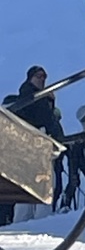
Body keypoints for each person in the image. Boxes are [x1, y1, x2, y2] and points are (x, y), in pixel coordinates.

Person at [1, 68, 65, 225]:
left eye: (44, 76)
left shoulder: (29, 97)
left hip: (27, 150)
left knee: (27, 193)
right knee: (43, 187)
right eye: (39, 76)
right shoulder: (34, 97)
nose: (42, 79)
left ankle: (21, 225)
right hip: (37, 148)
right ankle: (40, 224)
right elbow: (47, 120)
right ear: (30, 78)